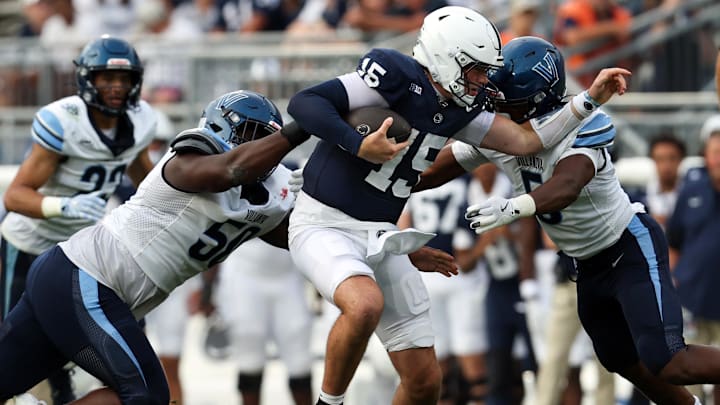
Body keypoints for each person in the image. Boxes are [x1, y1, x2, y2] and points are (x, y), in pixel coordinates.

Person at [285, 6, 629, 404]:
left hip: (380, 236)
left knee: (425, 383)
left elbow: (527, 141)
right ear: (445, 58)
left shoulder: (457, 108)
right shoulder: (393, 74)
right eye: (477, 70)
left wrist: (588, 100)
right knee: (364, 306)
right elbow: (306, 102)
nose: (485, 82)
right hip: (325, 223)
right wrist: (356, 143)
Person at [415, 36, 720, 405]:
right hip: (586, 262)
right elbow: (429, 174)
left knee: (669, 360)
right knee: (620, 359)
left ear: (533, 95)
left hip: (627, 246)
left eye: (502, 91)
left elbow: (568, 185)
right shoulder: (503, 132)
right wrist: (381, 175)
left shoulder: (585, 123)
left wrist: (513, 207)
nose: (492, 97)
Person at [0, 89, 312, 404]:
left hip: (84, 287)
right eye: (252, 135)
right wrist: (299, 129)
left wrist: (315, 206)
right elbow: (230, 171)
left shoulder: (273, 194)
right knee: (146, 395)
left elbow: (301, 239)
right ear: (222, 124)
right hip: (86, 278)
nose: (262, 148)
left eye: (266, 139)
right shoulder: (192, 155)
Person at [0, 35, 156, 405]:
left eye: (124, 78)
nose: (117, 87)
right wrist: (63, 207)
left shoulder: (141, 120)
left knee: (68, 343)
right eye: (106, 78)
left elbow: (149, 185)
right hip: (28, 244)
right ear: (88, 79)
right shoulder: (64, 120)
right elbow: (15, 195)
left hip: (79, 252)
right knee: (11, 346)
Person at [397, 172, 489, 404]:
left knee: (441, 360)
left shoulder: (410, 178)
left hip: (426, 275)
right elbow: (486, 222)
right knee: (470, 359)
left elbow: (401, 233)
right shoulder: (466, 178)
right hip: (460, 272)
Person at [214, 237, 314, 405]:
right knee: (249, 358)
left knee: (300, 360)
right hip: (244, 272)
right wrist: (206, 286)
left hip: (289, 273)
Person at [666, 115, 720, 403]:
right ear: (706, 155)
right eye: (715, 151)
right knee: (690, 377)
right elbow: (673, 241)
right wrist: (673, 285)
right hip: (692, 301)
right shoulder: (691, 188)